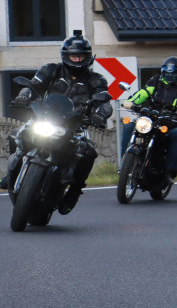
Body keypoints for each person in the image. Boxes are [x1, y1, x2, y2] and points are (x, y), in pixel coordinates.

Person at [2, 30, 112, 214]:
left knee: (89, 152)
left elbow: (104, 102)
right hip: (46, 117)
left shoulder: (96, 79)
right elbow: (33, 85)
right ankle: (11, 172)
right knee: (18, 134)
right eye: (73, 56)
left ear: (88, 57)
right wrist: (24, 96)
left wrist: (100, 115)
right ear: (65, 55)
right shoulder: (50, 69)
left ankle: (74, 192)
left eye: (81, 56)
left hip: (76, 124)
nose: (77, 60)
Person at [121, 56, 177, 186]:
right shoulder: (156, 80)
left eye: (173, 74)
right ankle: (124, 163)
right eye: (167, 73)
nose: (169, 76)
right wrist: (131, 101)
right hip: (152, 116)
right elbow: (144, 92)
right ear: (163, 72)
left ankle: (169, 171)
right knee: (129, 127)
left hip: (172, 120)